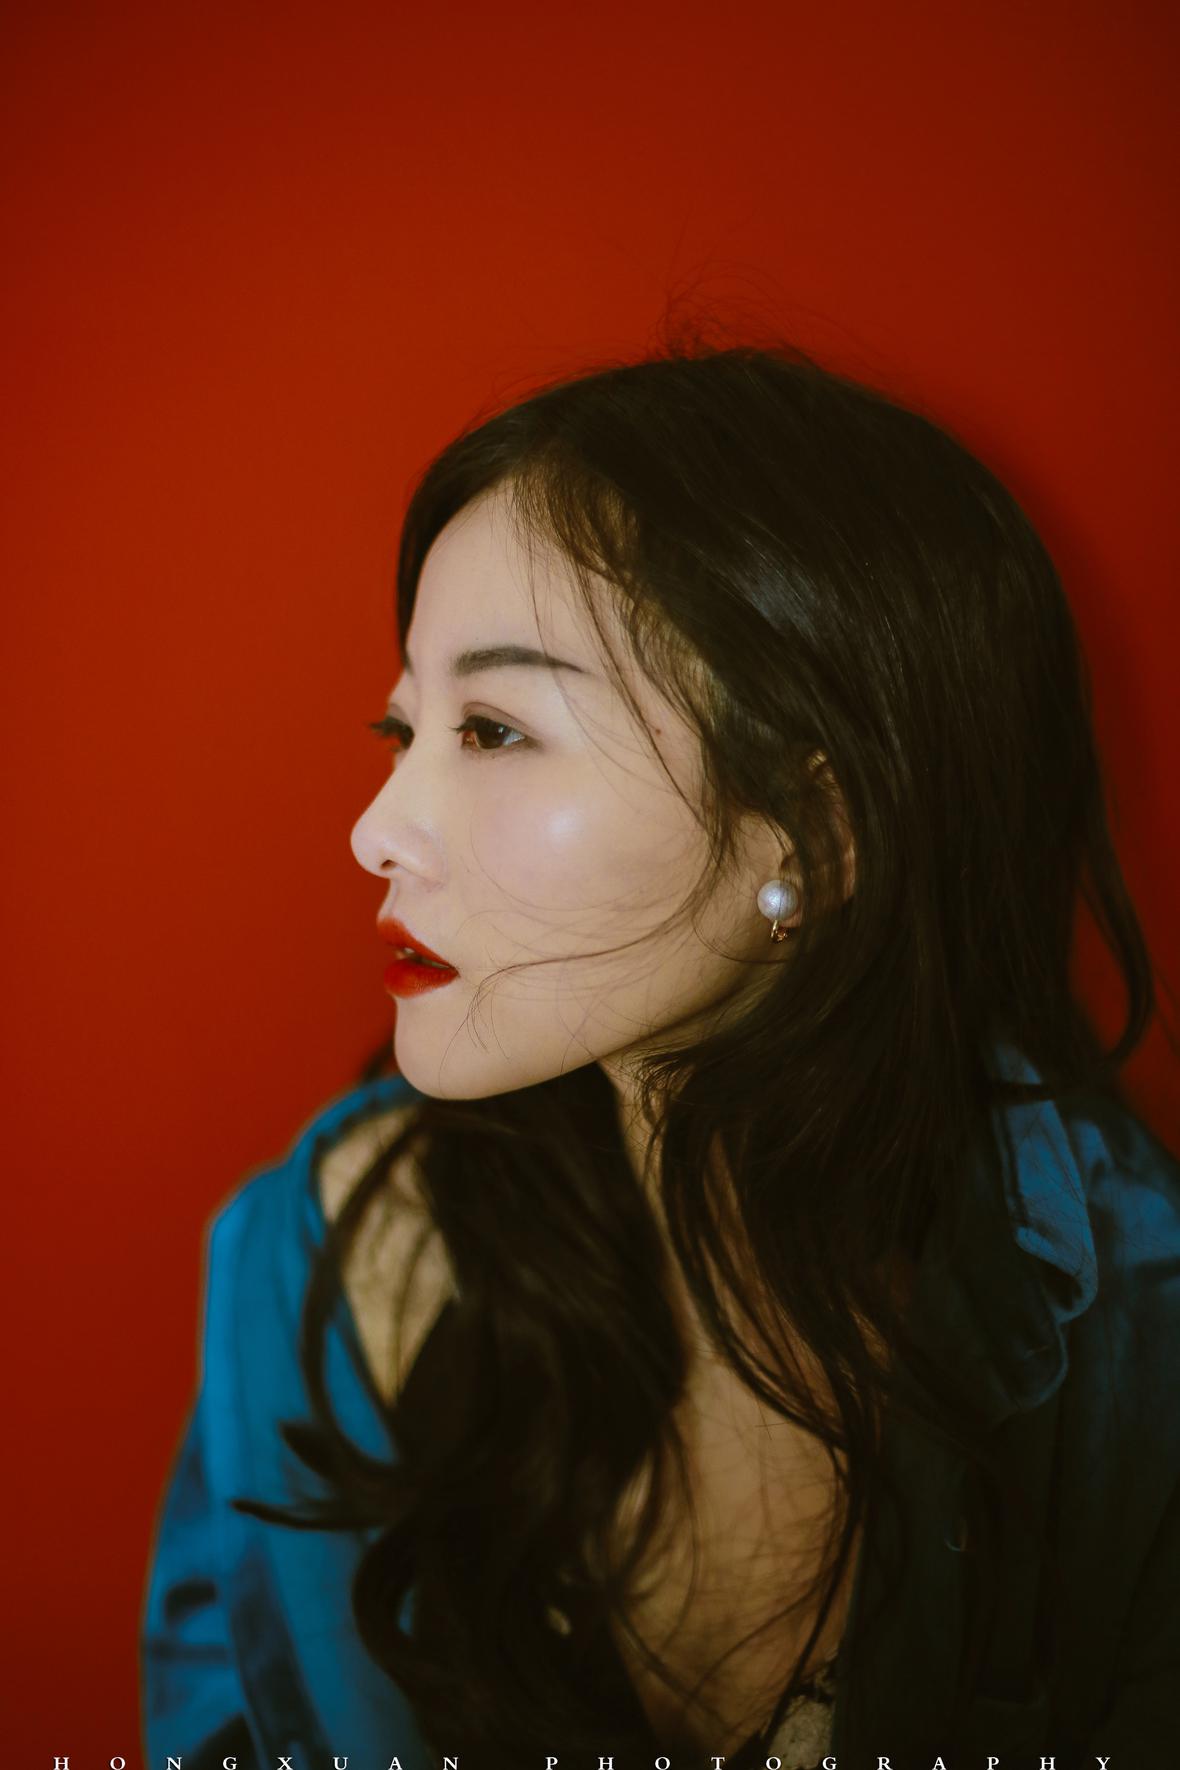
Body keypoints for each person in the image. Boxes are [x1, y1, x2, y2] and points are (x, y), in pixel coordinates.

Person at [139, 338, 1180, 1770]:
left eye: (493, 729)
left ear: (814, 835)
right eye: (403, 726)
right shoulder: (329, 1273)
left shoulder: (1120, 1336)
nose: (375, 829)